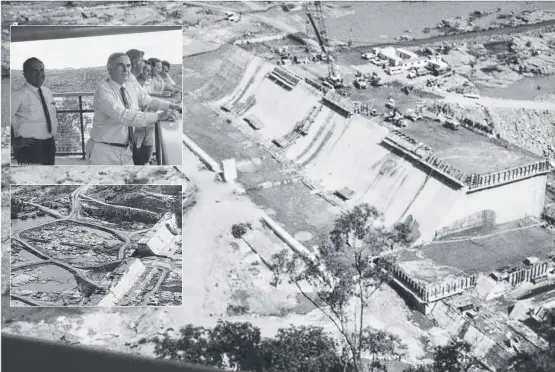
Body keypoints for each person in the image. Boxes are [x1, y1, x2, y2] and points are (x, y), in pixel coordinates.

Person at [86, 52, 172, 165]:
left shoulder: (130, 87)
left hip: (126, 151)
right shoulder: (103, 90)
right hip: (104, 153)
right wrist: (158, 116)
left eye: (128, 65)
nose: (126, 70)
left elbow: (148, 100)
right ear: (109, 67)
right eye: (120, 65)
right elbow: (124, 115)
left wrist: (171, 106)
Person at [126, 49, 181, 165]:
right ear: (135, 62)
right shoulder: (129, 82)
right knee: (137, 160)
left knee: (143, 158)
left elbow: (148, 100)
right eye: (142, 61)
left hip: (143, 124)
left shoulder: (132, 81)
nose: (145, 64)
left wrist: (172, 105)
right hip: (132, 129)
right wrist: (161, 115)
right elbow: (146, 101)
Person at [11, 57, 58, 165]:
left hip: (49, 146)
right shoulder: (18, 95)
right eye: (34, 70)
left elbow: (52, 115)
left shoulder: (47, 92)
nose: (39, 74)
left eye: (41, 70)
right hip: (29, 148)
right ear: (25, 74)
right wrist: (13, 141)